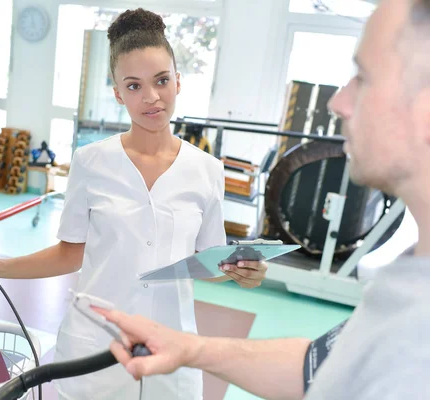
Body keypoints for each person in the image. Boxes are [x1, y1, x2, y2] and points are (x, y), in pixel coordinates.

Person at [95, 0, 430, 398]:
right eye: (134, 85)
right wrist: (192, 349)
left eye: (364, 76)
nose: (337, 101)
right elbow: (316, 369)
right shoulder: (406, 281)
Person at [0, 8, 268, 400]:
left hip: (170, 348)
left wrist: (239, 272)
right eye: (133, 85)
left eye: (161, 81)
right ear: (116, 92)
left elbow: (208, 261)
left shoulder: (207, 170)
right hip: (93, 346)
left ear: (178, 81)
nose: (151, 97)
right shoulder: (91, 162)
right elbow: (70, 254)